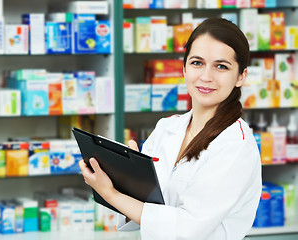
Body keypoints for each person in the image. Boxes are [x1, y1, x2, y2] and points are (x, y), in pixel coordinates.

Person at [79, 18, 262, 240]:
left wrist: (110, 193)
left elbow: (186, 229)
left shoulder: (236, 145)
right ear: (184, 68)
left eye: (221, 66)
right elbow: (147, 206)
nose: (206, 76)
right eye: (197, 63)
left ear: (241, 76)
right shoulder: (168, 127)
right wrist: (125, 177)